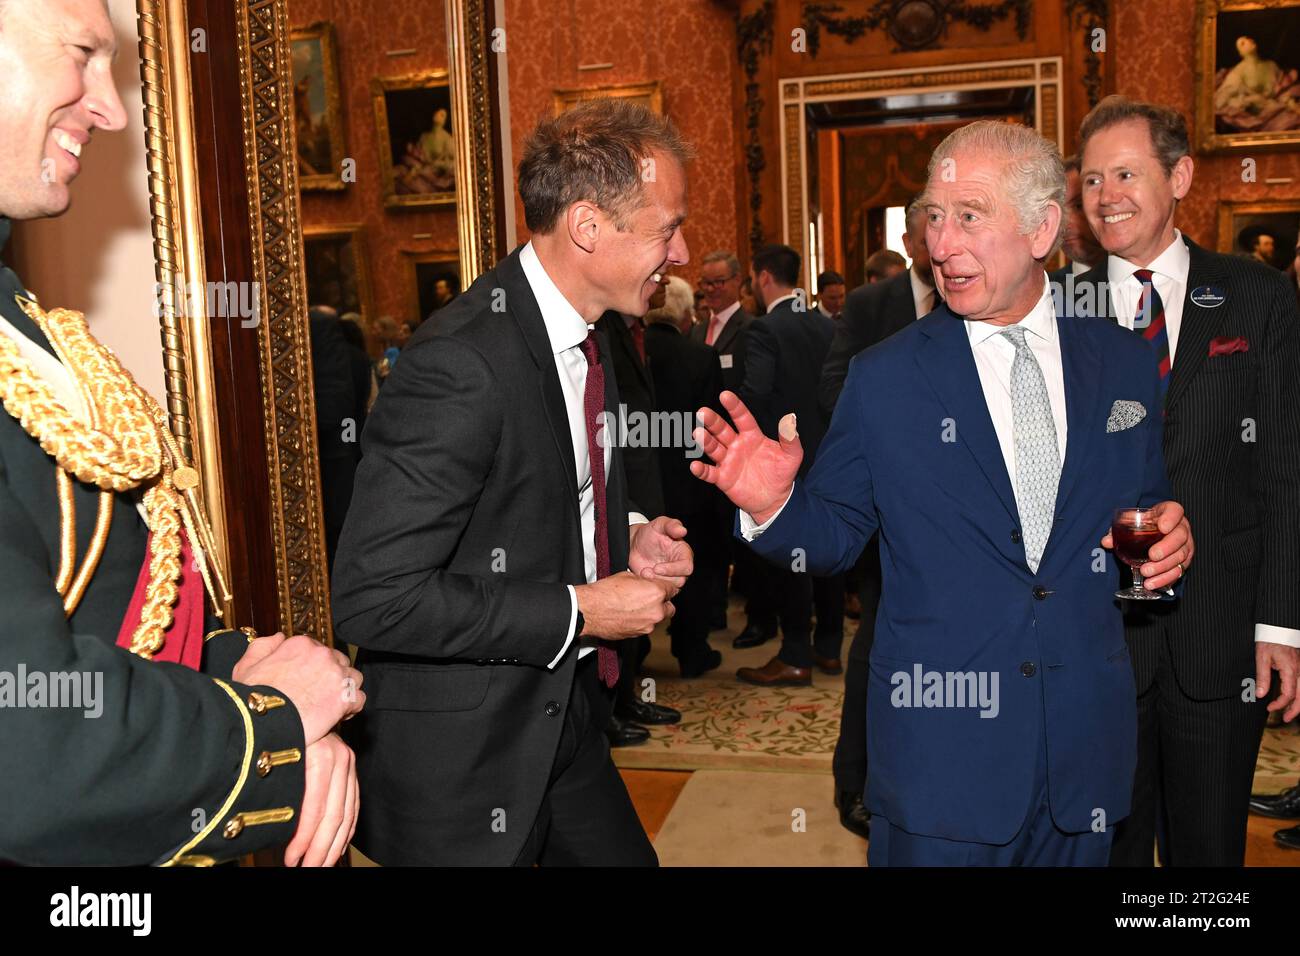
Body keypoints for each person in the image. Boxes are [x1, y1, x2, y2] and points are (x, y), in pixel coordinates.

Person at [693, 119, 1194, 866]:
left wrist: (1162, 544)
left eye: (969, 216)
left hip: (1083, 758)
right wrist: (771, 505)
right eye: (932, 216)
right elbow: (829, 537)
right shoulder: (887, 377)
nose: (941, 242)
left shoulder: (1121, 362)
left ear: (1042, 228)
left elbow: (1137, 516)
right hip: (941, 767)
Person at [0, 0, 363, 867]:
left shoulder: (27, 324)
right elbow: (31, 746)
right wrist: (272, 731)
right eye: (83, 53)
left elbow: (79, 621)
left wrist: (234, 665)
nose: (111, 107)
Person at [332, 99, 695, 866]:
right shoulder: (462, 361)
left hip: (563, 721)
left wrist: (626, 537)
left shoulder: (588, 339)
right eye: (667, 228)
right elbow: (375, 594)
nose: (684, 251)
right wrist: (585, 609)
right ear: (590, 228)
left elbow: (532, 501)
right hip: (463, 762)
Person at [1075, 96, 1300, 867]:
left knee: (1209, 862)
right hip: (1097, 641)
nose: (1107, 195)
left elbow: (1285, 469)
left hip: (1221, 636)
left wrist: (1281, 626)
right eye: (1093, 178)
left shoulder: (1257, 295)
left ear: (1181, 176)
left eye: (1127, 173)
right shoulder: (1057, 310)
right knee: (1112, 855)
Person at [817, 195, 937, 840]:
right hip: (890, 507)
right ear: (911, 241)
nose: (939, 243)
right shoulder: (869, 305)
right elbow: (835, 388)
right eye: (927, 231)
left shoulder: (986, 297)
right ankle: (857, 782)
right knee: (876, 646)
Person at [730, 243, 842, 687]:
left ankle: (796, 652)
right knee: (831, 551)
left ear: (761, 277)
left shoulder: (763, 330)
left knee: (791, 557)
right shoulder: (827, 324)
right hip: (831, 455)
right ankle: (829, 648)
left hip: (785, 459)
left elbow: (755, 393)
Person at [645, 276, 724, 677]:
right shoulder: (700, 356)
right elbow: (711, 430)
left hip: (637, 482)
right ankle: (692, 651)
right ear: (685, 313)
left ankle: (633, 659)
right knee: (690, 564)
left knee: (633, 563)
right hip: (688, 479)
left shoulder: (626, 351)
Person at [1048, 154, 1105, 286]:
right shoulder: (1045, 293)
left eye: (1079, 206)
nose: (1065, 223)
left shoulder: (1143, 281)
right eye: (1057, 211)